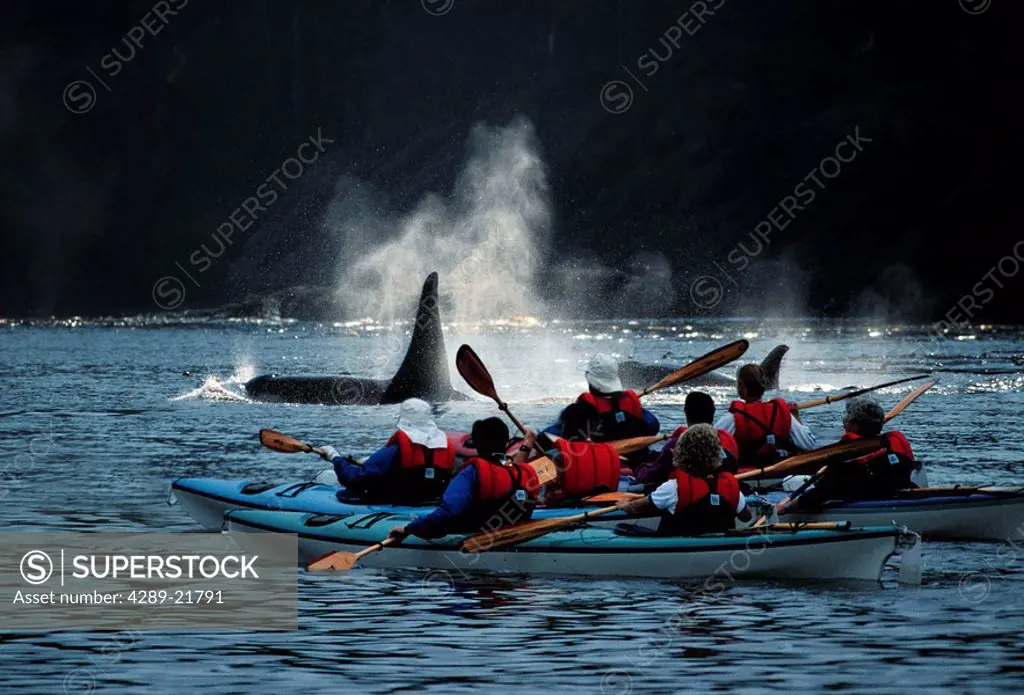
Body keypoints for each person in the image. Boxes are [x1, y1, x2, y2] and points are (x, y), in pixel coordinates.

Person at [386, 417, 541, 541]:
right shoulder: (519, 471)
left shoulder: (472, 472)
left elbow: (448, 513)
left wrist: (409, 529)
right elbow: (511, 469)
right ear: (507, 441)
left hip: (475, 534)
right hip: (512, 530)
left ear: (475, 443)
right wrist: (527, 444)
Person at [616, 424, 752, 534]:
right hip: (717, 550)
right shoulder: (731, 488)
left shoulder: (673, 488)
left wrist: (624, 505)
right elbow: (747, 517)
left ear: (682, 454)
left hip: (677, 550)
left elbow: (636, 508)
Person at [790, 397, 918, 509]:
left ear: (854, 426)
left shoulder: (847, 453)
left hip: (868, 503)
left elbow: (824, 490)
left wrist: (791, 506)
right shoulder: (891, 443)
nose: (844, 424)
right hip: (895, 493)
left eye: (846, 420)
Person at [318, 398, 455, 503]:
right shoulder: (443, 447)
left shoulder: (394, 452)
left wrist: (335, 457)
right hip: (429, 500)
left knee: (327, 477)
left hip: (395, 500)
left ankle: (296, 539)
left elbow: (355, 479)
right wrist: (369, 461)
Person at [715, 363, 815, 469]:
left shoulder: (733, 418)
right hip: (780, 473)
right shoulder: (782, 414)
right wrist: (796, 417)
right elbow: (808, 445)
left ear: (741, 388)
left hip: (746, 475)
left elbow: (709, 447)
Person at [633, 391, 740, 487]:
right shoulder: (725, 443)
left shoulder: (677, 445)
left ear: (686, 413)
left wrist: (637, 468)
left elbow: (651, 475)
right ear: (712, 414)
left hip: (685, 497)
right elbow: (732, 465)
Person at [555, 353, 660, 442]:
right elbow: (653, 426)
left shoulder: (579, 411)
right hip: (632, 456)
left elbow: (556, 433)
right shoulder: (630, 406)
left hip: (596, 457)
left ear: (590, 379)